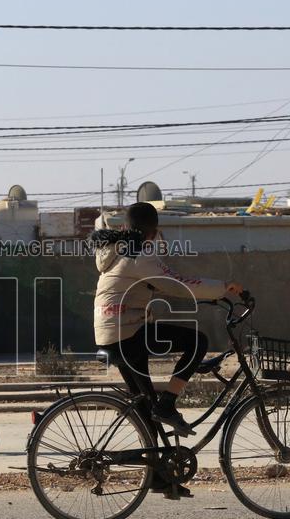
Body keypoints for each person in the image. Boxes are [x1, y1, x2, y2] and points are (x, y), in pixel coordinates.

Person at [91, 202, 243, 497]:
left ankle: (158, 478)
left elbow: (161, 285)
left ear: (124, 228)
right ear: (155, 231)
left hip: (113, 331)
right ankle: (168, 403)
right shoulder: (139, 254)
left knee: (144, 405)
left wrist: (208, 296)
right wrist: (224, 288)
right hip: (127, 331)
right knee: (196, 342)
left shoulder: (118, 249)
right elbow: (176, 284)